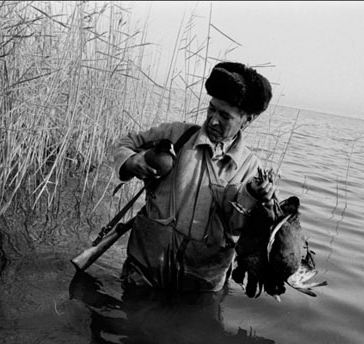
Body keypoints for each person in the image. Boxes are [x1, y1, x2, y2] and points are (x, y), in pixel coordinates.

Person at [113, 61, 275, 295]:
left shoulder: (252, 170)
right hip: (143, 274)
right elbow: (124, 144)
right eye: (211, 109)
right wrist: (130, 161)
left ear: (247, 120)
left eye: (225, 115)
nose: (213, 120)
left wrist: (254, 196)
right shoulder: (176, 135)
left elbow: (241, 231)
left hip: (199, 287)